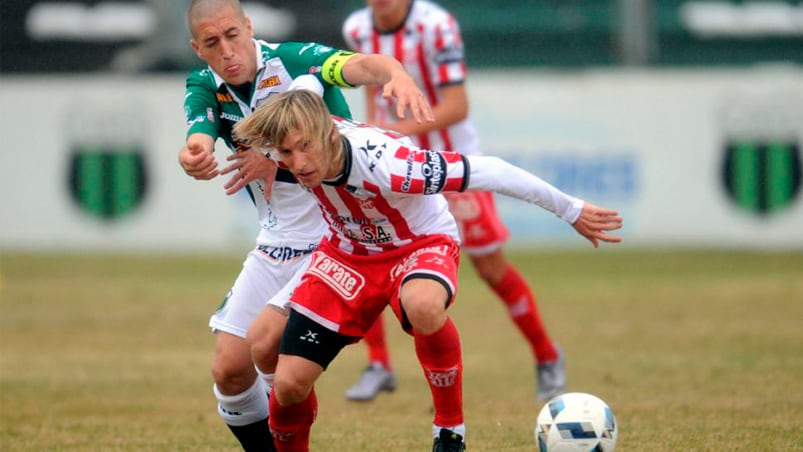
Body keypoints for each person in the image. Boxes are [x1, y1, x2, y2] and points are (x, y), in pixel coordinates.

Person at [235, 89, 623, 451]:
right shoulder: (294, 140)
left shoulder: (391, 164)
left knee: (423, 305)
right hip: (347, 252)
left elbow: (491, 170)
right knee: (280, 372)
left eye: (305, 147)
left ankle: (449, 428)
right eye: (287, 152)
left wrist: (570, 209)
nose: (299, 163)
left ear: (327, 132)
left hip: (418, 244)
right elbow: (303, 88)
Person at [179, 0, 433, 450]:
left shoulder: (294, 61)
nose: (228, 51)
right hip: (275, 241)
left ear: (248, 27)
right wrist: (194, 154)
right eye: (213, 44)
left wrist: (395, 73)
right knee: (229, 369)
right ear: (198, 48)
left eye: (233, 36)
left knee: (273, 349)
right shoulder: (203, 84)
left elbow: (358, 65)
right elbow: (198, 133)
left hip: (334, 236)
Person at [342, 0, 568, 402]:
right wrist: (373, 138)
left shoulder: (436, 25)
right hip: (391, 169)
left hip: (450, 167)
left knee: (491, 267)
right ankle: (379, 363)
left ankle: (547, 356)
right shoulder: (357, 28)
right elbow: (372, 101)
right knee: (366, 251)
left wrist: (392, 132)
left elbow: (456, 106)